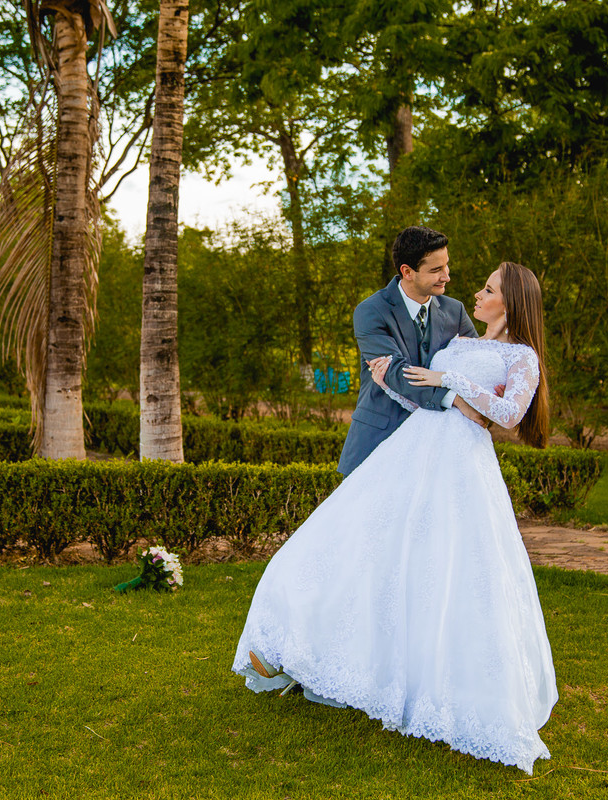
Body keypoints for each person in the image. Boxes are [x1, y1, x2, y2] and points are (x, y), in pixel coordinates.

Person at [232, 262, 558, 775]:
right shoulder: (462, 339)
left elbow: (510, 414)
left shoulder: (521, 357)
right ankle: (308, 649)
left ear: (509, 303)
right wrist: (391, 385)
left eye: (489, 288)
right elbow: (433, 402)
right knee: (349, 545)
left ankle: (432, 683)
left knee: (442, 571)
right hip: (411, 452)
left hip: (460, 472)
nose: (477, 291)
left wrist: (449, 380)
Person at [337, 226, 486, 476]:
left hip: (436, 446)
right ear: (407, 271)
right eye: (436, 270)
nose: (447, 276)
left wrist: (490, 388)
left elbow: (477, 361)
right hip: (380, 440)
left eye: (446, 266)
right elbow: (394, 372)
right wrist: (455, 399)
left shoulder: (455, 310)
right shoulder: (371, 311)